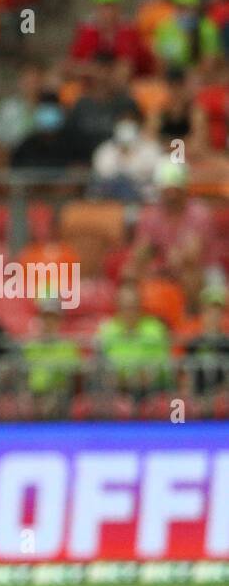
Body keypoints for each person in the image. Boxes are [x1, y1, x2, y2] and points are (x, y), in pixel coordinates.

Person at [125, 161, 212, 305]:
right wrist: (144, 257)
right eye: (167, 191)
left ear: (184, 190)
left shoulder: (199, 214)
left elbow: (192, 256)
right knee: (130, 272)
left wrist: (176, 257)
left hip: (205, 269)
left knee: (189, 275)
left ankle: (192, 318)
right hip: (166, 268)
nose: (171, 196)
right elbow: (140, 251)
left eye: (175, 190)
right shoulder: (151, 215)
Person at [96, 280, 172, 395]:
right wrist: (127, 379)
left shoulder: (155, 328)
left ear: (140, 306)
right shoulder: (107, 330)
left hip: (153, 390)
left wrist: (146, 375)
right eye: (125, 307)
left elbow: (163, 362)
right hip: (116, 392)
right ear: (117, 307)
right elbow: (100, 365)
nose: (130, 312)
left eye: (133, 306)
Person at [64, 54, 142, 163]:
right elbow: (70, 140)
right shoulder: (81, 105)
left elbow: (135, 138)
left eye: (108, 71)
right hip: (83, 165)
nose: (103, 76)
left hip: (117, 165)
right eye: (99, 70)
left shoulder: (126, 104)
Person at [67, 0, 151, 78]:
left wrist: (94, 70)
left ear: (118, 7)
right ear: (95, 7)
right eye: (103, 7)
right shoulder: (88, 30)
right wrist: (97, 71)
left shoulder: (128, 30)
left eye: (110, 6)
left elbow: (125, 69)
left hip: (135, 83)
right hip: (97, 83)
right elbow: (72, 66)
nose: (107, 12)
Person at [22, 295, 83, 417]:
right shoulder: (30, 346)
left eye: (53, 318)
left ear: (60, 320)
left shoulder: (68, 346)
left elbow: (73, 375)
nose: (49, 322)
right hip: (34, 395)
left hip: (61, 395)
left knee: (56, 402)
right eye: (46, 317)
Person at [91, 109, 163, 200]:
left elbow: (154, 172)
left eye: (130, 122)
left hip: (143, 198)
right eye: (123, 122)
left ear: (138, 125)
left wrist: (131, 156)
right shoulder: (104, 150)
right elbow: (103, 173)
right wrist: (121, 155)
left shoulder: (151, 148)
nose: (126, 125)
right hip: (111, 198)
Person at [0, 61, 47, 163]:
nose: (32, 86)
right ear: (20, 82)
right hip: (13, 162)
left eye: (36, 81)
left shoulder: (49, 108)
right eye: (28, 81)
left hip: (42, 163)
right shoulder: (7, 108)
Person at [183, 279, 229, 396]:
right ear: (202, 314)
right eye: (209, 312)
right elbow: (187, 378)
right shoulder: (193, 343)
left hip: (222, 401)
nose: (213, 316)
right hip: (198, 400)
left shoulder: (227, 343)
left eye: (217, 312)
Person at [10, 94, 75, 171]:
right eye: (45, 109)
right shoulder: (26, 146)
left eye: (52, 109)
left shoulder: (73, 145)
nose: (48, 114)